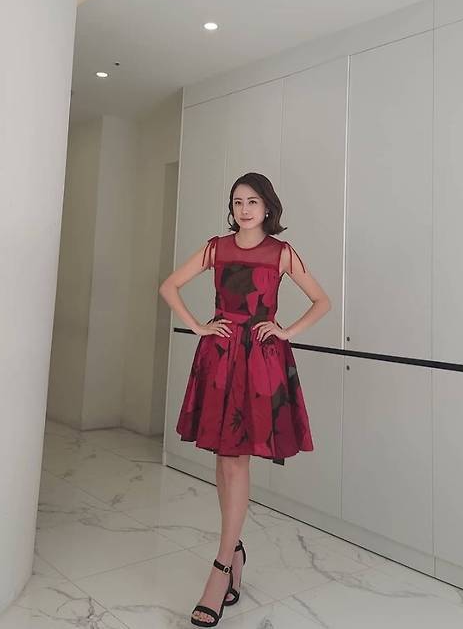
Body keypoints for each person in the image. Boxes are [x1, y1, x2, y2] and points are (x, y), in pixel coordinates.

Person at [159, 171, 331, 626]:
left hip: (259, 363)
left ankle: (221, 567)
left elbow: (322, 301)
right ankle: (234, 550)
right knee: (224, 460)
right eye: (237, 202)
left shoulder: (281, 252)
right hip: (220, 358)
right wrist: (199, 326)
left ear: (268, 207)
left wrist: (286, 331)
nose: (245, 209)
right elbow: (168, 286)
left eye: (253, 201)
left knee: (236, 461)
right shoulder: (216, 248)